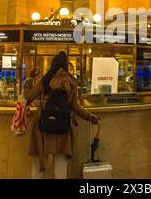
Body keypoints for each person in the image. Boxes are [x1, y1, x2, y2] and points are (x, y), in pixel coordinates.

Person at [25, 51, 100, 179]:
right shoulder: (72, 82)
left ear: (53, 64)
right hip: (62, 128)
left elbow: (28, 97)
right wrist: (90, 117)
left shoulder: (45, 80)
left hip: (43, 128)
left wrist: (30, 79)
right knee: (60, 168)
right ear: (66, 66)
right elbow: (76, 107)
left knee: (39, 166)